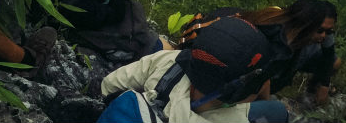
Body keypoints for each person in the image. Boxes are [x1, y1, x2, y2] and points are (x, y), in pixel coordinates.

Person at [100, 16, 272, 123]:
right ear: (240, 96)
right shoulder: (235, 119)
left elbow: (110, 84)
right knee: (276, 111)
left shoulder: (168, 61)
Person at [238, 0, 339, 123]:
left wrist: (324, 84)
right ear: (306, 25)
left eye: (329, 31)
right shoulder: (278, 41)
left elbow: (329, 56)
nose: (324, 35)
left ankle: (310, 94)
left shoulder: (299, 37)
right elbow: (262, 79)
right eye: (320, 30)